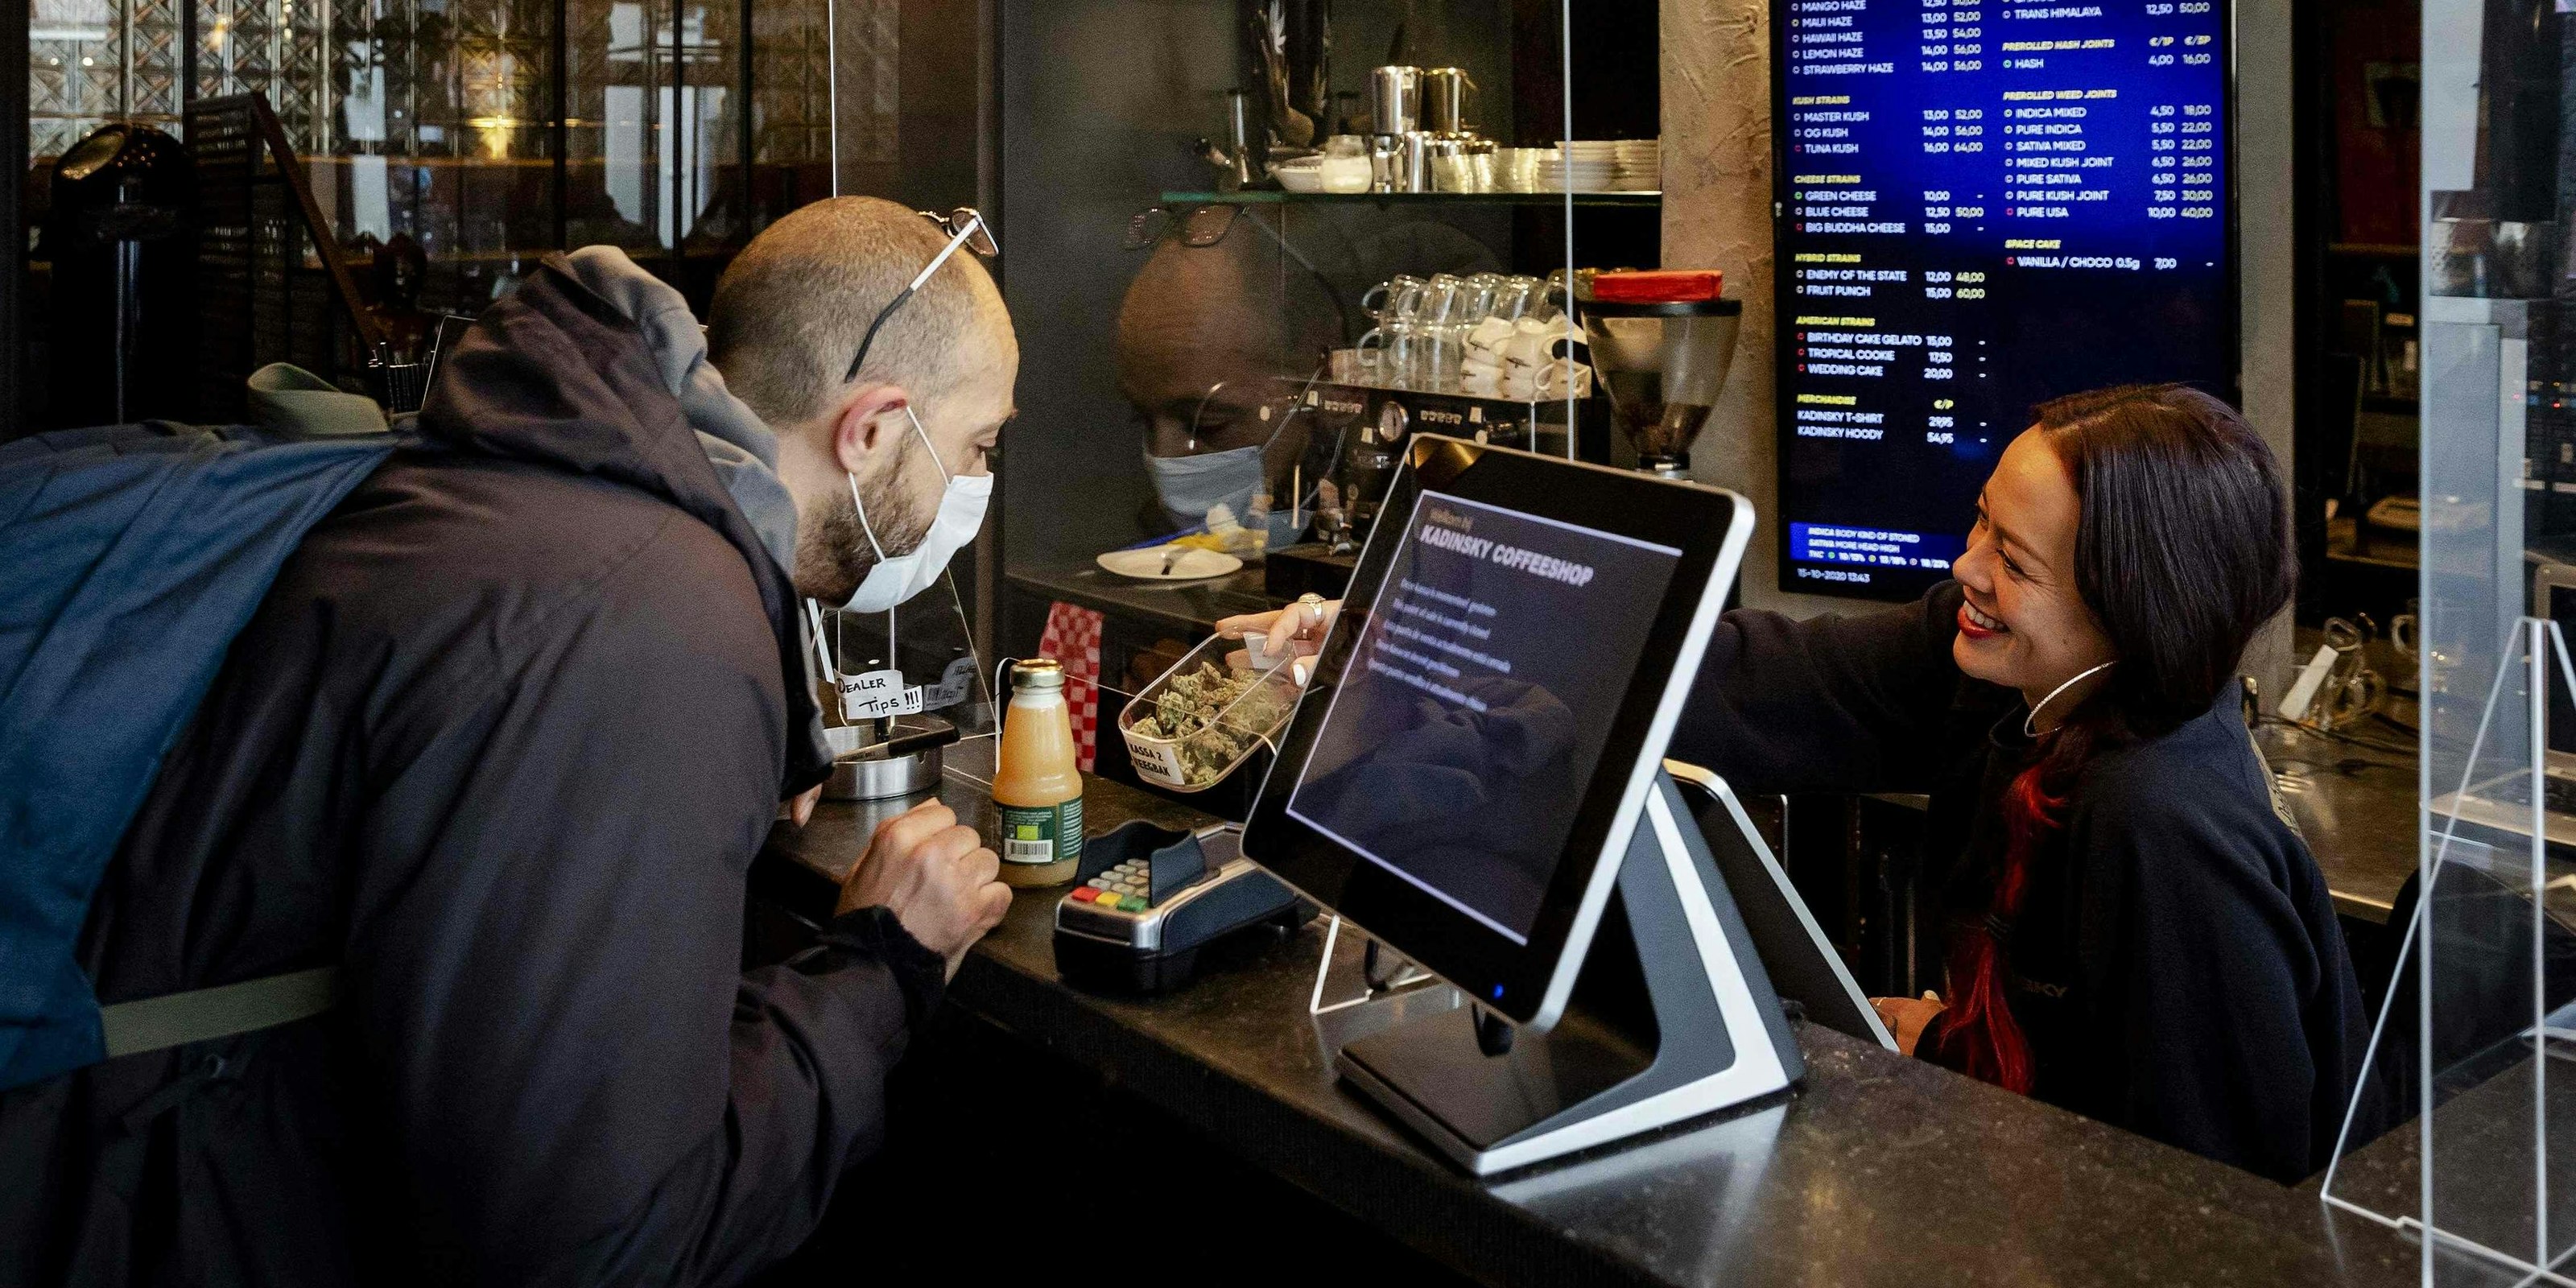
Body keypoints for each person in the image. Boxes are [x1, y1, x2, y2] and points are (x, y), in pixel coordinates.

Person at [1, 196, 1018, 1282]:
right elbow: (596, 1240)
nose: (977, 489)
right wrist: (880, 969)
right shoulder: (649, 622)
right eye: (978, 446)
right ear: (871, 428)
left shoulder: (539, 475)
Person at [1223, 386, 2372, 1183]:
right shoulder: (2003, 673)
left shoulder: (2163, 824)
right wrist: (1409, 628)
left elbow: (2211, 1188)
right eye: (1980, 522)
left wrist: (1968, 1063)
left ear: (2130, 607)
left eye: (2013, 562)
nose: (1964, 569)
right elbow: (1751, 681)